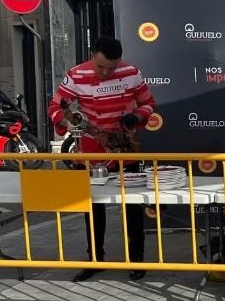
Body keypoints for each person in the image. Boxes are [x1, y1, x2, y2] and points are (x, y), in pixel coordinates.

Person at [47, 36, 155, 282]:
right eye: (101, 67)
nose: (106, 73)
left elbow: (148, 103)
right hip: (92, 150)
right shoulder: (76, 75)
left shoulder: (131, 73)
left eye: (112, 68)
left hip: (125, 149)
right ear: (92, 55)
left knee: (132, 206)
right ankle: (95, 260)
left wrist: (137, 116)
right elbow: (54, 107)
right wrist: (68, 122)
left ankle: (137, 260)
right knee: (93, 208)